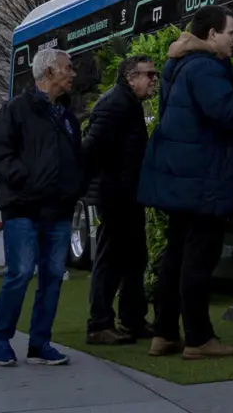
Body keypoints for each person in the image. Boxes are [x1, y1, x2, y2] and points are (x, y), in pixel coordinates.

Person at [138, 5, 233, 361]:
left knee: (175, 255)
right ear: (211, 35)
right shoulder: (206, 68)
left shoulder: (180, 66)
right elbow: (225, 114)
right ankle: (199, 338)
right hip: (204, 180)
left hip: (182, 179)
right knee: (198, 260)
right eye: (231, 32)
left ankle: (165, 334)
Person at [0, 48, 84, 368]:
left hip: (58, 210)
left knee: (54, 275)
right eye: (67, 68)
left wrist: (74, 189)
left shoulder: (69, 117)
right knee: (21, 273)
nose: (73, 73)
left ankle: (40, 344)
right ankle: (0, 338)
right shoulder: (14, 110)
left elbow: (74, 160)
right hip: (22, 209)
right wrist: (26, 183)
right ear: (48, 71)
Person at [84, 54, 158, 345]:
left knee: (134, 258)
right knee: (111, 258)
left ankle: (132, 319)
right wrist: (108, 183)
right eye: (148, 74)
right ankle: (99, 323)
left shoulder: (125, 103)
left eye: (154, 74)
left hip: (127, 194)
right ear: (131, 78)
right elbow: (91, 150)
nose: (154, 80)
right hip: (115, 195)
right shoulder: (115, 105)